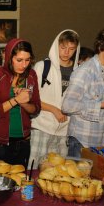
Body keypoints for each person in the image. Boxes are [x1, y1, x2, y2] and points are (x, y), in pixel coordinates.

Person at [62, 27, 104, 158]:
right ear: (102, 47)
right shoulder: (84, 71)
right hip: (82, 142)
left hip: (101, 140)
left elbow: (103, 100)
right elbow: (67, 106)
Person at [0, 38, 41, 169]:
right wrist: (16, 100)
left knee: (19, 185)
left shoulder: (31, 75)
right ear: (8, 57)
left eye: (27, 60)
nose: (24, 65)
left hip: (23, 142)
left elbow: (36, 109)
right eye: (19, 60)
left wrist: (24, 102)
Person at [29, 30, 80, 168]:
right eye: (63, 47)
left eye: (71, 49)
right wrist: (53, 109)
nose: (66, 52)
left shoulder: (79, 72)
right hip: (41, 128)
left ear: (76, 49)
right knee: (34, 171)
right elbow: (30, 98)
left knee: (58, 174)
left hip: (65, 131)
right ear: (56, 46)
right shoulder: (42, 67)